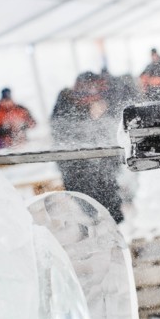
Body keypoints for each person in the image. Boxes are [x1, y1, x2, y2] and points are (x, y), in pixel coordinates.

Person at [51, 71, 129, 223]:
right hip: (75, 163)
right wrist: (91, 114)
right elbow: (62, 131)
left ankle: (114, 230)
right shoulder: (66, 101)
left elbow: (111, 129)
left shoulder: (100, 101)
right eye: (89, 88)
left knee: (110, 204)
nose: (92, 93)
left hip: (101, 165)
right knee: (88, 208)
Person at [0, 87, 36, 152]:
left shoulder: (21, 110)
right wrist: (4, 133)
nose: (6, 103)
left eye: (8, 100)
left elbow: (32, 124)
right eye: (5, 100)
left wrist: (20, 125)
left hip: (20, 141)